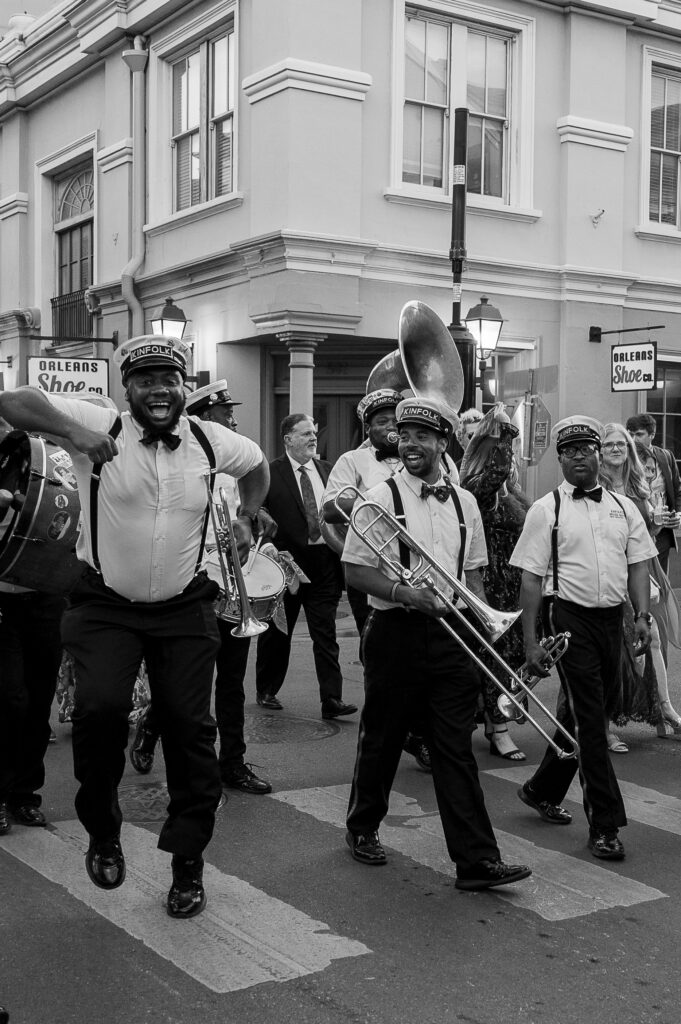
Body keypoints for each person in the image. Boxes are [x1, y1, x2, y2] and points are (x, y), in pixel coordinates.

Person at [0, 336, 269, 919]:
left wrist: (248, 515)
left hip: (184, 606)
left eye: (168, 379)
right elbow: (12, 400)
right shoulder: (100, 424)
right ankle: (103, 831)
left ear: (183, 388)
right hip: (105, 604)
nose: (158, 390)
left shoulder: (209, 439)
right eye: (145, 379)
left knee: (190, 730)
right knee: (98, 712)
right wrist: (74, 436)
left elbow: (257, 466)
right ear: (128, 390)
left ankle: (188, 866)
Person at [342, 396, 531, 891]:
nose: (410, 444)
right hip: (395, 633)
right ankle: (362, 826)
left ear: (443, 443)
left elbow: (473, 575)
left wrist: (485, 626)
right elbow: (355, 570)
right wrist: (403, 592)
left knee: (454, 749)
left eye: (422, 437)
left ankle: (476, 861)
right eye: (404, 435)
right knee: (382, 737)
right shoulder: (379, 498)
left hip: (452, 632)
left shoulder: (465, 502)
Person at [511, 415, 655, 861]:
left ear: (598, 454)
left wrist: (643, 618)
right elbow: (531, 580)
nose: (578, 457)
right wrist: (532, 641)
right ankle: (606, 824)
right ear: (560, 459)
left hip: (613, 620)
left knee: (588, 712)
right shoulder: (546, 509)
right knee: (592, 723)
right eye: (568, 451)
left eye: (585, 449)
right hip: (569, 620)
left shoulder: (623, 506)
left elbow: (638, 564)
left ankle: (542, 788)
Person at [129, 379, 273, 795]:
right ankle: (153, 727)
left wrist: (256, 520)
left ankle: (233, 763)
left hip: (233, 585)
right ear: (204, 417)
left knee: (231, 681)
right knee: (186, 680)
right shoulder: (186, 464)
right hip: (193, 587)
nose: (232, 418)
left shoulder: (238, 466)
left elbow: (249, 512)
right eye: (225, 413)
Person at [322, 389, 429, 772]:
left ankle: (416, 728)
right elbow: (329, 508)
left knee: (420, 653)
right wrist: (377, 500)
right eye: (382, 421)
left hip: (419, 568)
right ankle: (393, 731)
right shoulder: (353, 461)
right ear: (368, 428)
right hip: (371, 570)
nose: (391, 428)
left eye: (395, 421)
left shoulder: (417, 458)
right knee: (381, 654)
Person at [255, 413, 357, 720]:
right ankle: (266, 689)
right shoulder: (270, 472)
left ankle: (332, 699)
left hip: (324, 563)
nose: (314, 437)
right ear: (288, 439)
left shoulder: (328, 471)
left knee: (325, 634)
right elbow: (255, 508)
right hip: (286, 565)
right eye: (305, 434)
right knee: (278, 634)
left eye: (314, 432)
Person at [0, 417, 65, 836]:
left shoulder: (37, 454)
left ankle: (25, 795)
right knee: (10, 699)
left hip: (44, 594)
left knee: (40, 700)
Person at [598, 425, 681, 749]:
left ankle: (664, 710)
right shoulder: (595, 483)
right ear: (600, 450)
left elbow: (647, 528)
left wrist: (664, 522)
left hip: (643, 568)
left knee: (653, 638)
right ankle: (600, 725)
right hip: (611, 571)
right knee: (613, 651)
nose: (616, 449)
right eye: (609, 444)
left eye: (621, 444)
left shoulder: (637, 481)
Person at [459, 402, 529, 762]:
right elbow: (498, 467)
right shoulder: (474, 487)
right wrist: (502, 428)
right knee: (494, 658)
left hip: (513, 583)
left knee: (513, 656)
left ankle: (493, 719)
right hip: (488, 582)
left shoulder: (512, 493)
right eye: (502, 447)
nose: (508, 457)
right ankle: (499, 729)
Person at [626, 413, 681, 573]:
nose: (633, 439)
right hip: (636, 529)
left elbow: (677, 489)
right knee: (638, 577)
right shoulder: (624, 458)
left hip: (663, 529)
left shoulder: (666, 456)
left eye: (639, 434)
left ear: (652, 435)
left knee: (661, 579)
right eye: (630, 434)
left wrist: (678, 514)